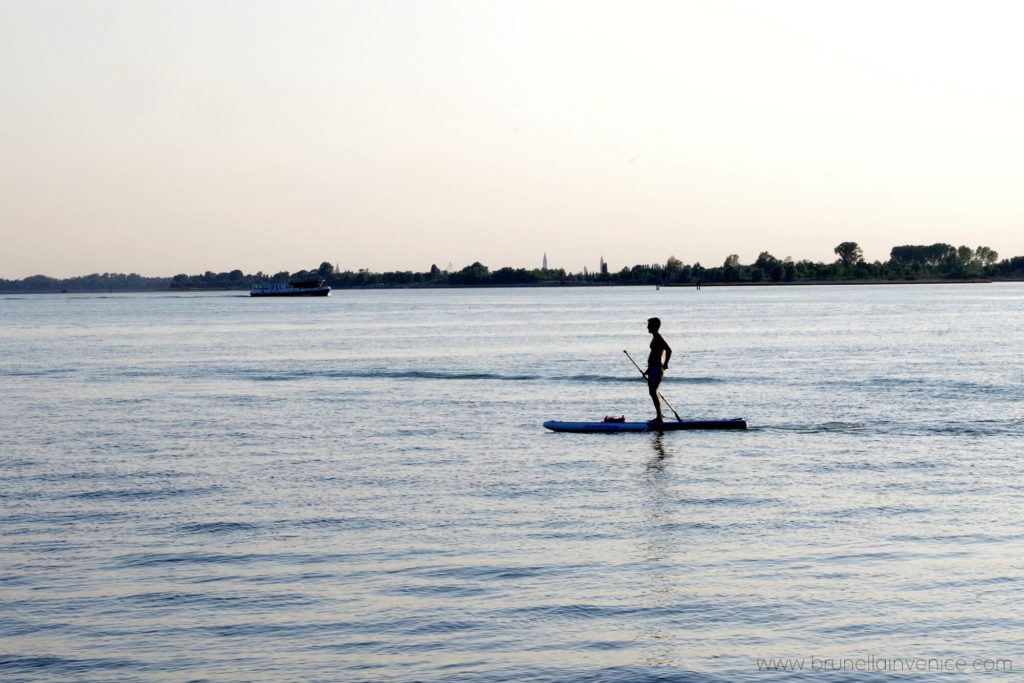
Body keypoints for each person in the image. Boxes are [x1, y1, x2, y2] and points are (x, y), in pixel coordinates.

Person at [643, 317, 672, 423]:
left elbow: (669, 350)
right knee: (653, 392)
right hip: (653, 368)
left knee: (653, 391)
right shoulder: (655, 337)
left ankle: (659, 417)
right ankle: (659, 416)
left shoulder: (658, 337)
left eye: (649, 325)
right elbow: (654, 354)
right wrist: (648, 369)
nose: (647, 327)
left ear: (654, 326)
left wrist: (665, 364)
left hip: (656, 368)